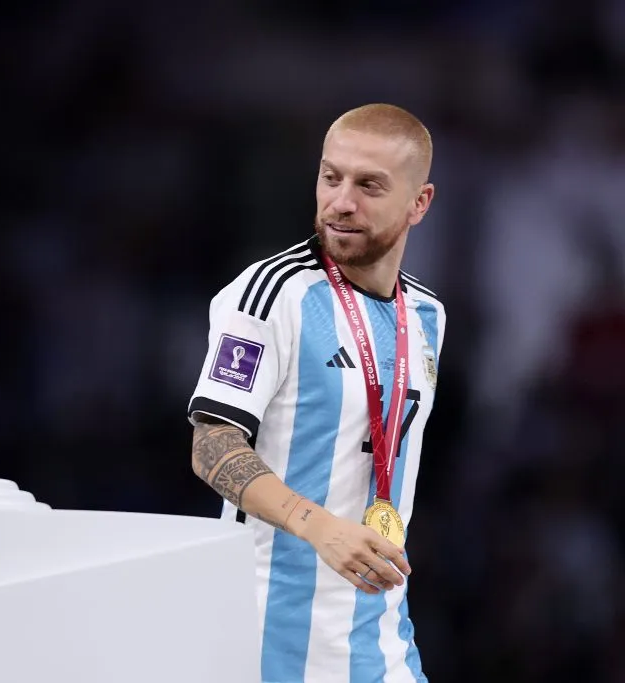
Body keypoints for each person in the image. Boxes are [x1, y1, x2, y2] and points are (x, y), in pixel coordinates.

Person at [187, 103, 445, 683]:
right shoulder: (270, 294)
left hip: (381, 644)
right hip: (266, 642)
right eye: (332, 178)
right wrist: (318, 525)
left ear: (419, 202)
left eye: (369, 186)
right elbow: (211, 446)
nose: (341, 202)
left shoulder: (428, 314)